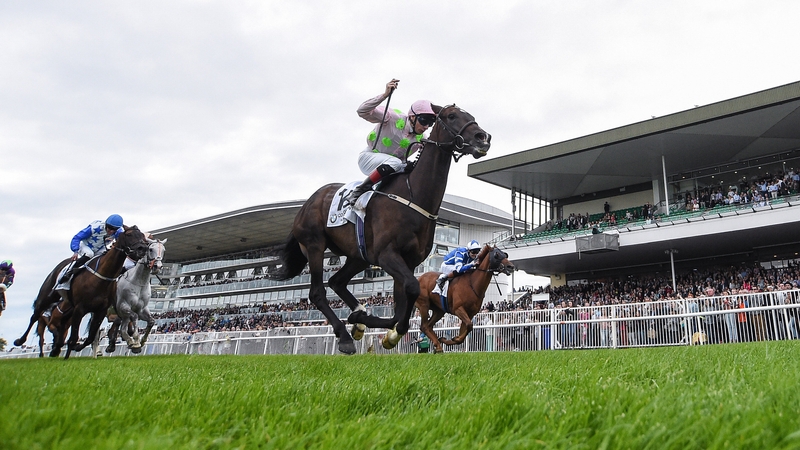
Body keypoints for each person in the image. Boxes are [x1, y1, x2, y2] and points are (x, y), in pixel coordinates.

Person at [344, 79, 437, 206]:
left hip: (391, 169)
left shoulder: (421, 139)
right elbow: (362, 111)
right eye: (424, 121)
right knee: (397, 163)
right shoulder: (392, 117)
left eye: (430, 123)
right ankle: (359, 190)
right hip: (369, 158)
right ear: (412, 117)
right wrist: (384, 95)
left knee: (409, 167)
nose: (426, 126)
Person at [58, 214, 125, 284]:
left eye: (114, 229)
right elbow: (77, 237)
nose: (111, 231)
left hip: (99, 249)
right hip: (85, 245)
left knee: (107, 257)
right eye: (110, 228)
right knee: (89, 254)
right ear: (106, 224)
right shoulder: (95, 227)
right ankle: (70, 272)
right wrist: (75, 251)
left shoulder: (119, 232)